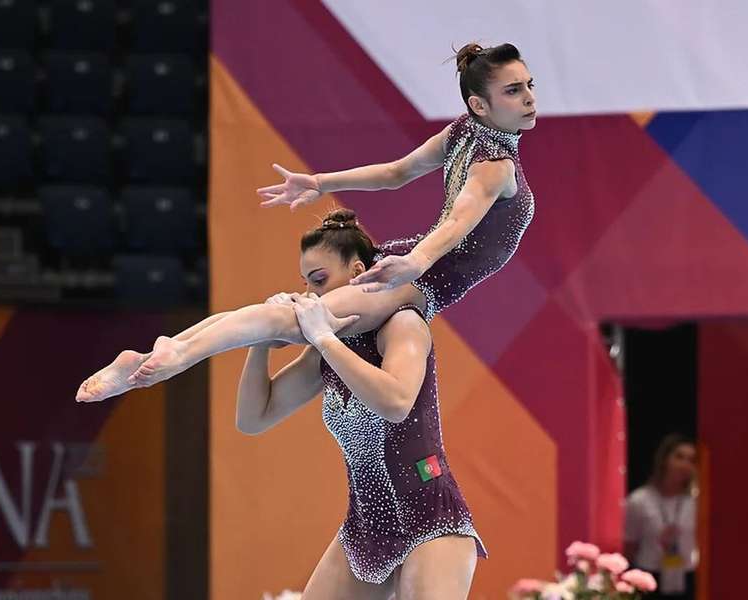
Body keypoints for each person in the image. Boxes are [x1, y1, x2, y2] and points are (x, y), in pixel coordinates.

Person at [76, 41, 536, 407]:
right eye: (513, 90)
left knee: (286, 323)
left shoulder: (466, 134)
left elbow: (400, 177)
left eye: (528, 85)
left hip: (413, 264)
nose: (529, 98)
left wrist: (323, 183)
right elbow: (454, 217)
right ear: (479, 104)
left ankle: (171, 347)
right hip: (420, 279)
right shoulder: (492, 164)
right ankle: (175, 355)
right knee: (294, 321)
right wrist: (323, 184)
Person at [236, 209, 484, 599]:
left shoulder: (402, 324)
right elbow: (254, 418)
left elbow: (397, 402)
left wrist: (325, 339)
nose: (314, 296)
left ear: (356, 272)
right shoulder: (324, 353)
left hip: (432, 521)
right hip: (367, 527)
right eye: (306, 285)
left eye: (320, 281)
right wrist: (260, 344)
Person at [624, 434, 698, 600]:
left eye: (691, 460)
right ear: (664, 460)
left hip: (687, 576)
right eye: (679, 457)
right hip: (649, 577)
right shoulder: (639, 500)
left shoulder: (696, 502)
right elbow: (630, 547)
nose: (685, 464)